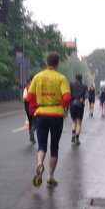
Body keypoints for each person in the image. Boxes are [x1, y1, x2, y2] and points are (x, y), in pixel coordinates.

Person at [27, 53, 71, 188]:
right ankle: (50, 177)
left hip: (41, 114)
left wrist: (39, 102)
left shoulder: (37, 77)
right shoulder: (61, 78)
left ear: (46, 63)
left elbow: (29, 97)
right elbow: (67, 98)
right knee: (54, 147)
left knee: (41, 146)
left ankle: (40, 164)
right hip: (56, 114)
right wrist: (61, 106)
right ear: (57, 64)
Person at [69, 74, 88, 146]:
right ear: (81, 79)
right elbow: (87, 96)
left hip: (72, 104)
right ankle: (77, 138)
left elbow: (68, 94)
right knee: (79, 123)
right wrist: (82, 99)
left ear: (75, 78)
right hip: (80, 105)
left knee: (73, 121)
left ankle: (73, 136)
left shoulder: (71, 85)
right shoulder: (84, 87)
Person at [22, 77, 35, 143]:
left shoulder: (27, 88)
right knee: (36, 121)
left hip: (28, 108)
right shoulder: (38, 88)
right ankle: (33, 130)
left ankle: (31, 135)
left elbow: (24, 97)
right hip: (37, 107)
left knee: (30, 121)